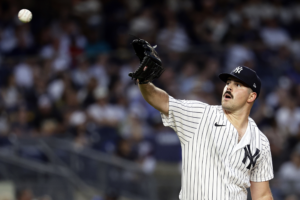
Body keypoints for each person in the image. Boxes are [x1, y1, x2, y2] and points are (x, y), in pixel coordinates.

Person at [137, 66, 274, 200]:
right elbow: (163, 101)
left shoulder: (260, 141)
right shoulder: (201, 114)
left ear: (251, 97)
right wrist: (144, 81)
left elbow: (262, 195)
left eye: (238, 85)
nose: (229, 87)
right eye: (228, 83)